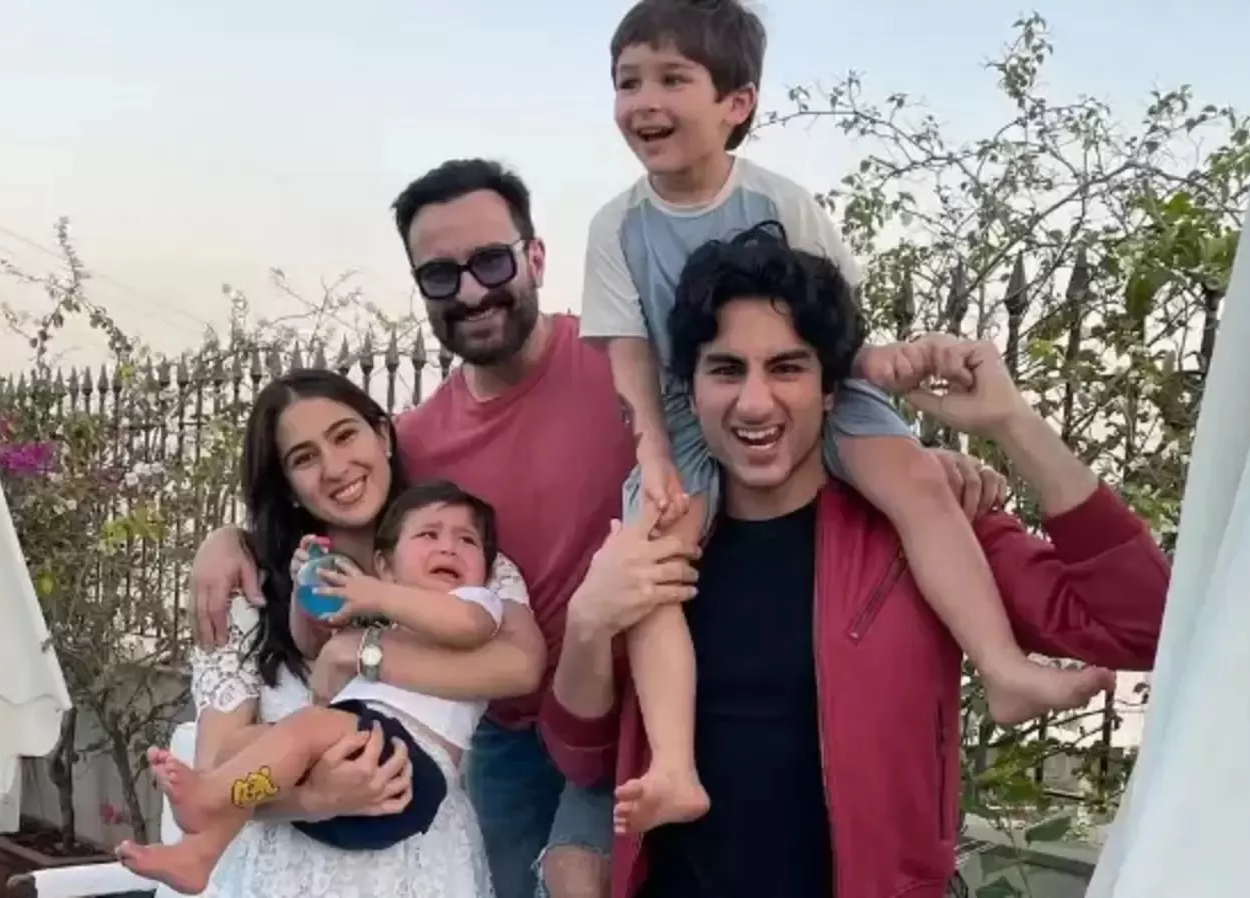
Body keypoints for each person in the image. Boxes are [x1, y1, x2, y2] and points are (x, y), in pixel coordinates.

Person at [188, 160, 1013, 898]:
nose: (470, 290)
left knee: (594, 874)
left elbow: (763, 411)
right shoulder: (417, 443)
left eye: (491, 261)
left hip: (637, 709)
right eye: (440, 274)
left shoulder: (628, 368)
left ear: (536, 257)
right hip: (504, 735)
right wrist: (228, 545)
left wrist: (913, 461)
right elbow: (334, 490)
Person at [580, 0, 1114, 833]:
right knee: (654, 563)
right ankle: (675, 766)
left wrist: (884, 366)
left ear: (736, 103)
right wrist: (651, 454)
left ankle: (1002, 667)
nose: (644, 101)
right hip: (691, 409)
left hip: (815, 379)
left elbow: (833, 331)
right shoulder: (617, 226)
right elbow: (630, 359)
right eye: (627, 82)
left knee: (915, 480)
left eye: (671, 80)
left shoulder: (780, 200)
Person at [542, 227, 1172, 898]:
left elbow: (1143, 626)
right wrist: (588, 622)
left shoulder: (927, 530)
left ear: (831, 388)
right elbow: (583, 755)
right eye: (726, 370)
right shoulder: (657, 536)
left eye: (787, 368)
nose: (754, 402)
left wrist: (1015, 424)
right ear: (690, 393)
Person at [169, 369, 547, 898]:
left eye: (345, 435)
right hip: (275, 875)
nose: (335, 467)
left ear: (384, 436)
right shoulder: (246, 585)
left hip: (418, 867)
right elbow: (218, 766)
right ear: (288, 486)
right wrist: (313, 800)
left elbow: (520, 665)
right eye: (304, 458)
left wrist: (361, 651)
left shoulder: (459, 562)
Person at [117, 480, 510, 894]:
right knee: (247, 748)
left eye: (467, 540)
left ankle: (210, 796)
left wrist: (377, 594)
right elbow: (313, 652)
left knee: (307, 727)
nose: (448, 547)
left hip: (412, 768)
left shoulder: (475, 603)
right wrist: (308, 585)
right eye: (429, 535)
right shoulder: (387, 622)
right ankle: (203, 852)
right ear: (386, 564)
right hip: (358, 765)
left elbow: (468, 625)